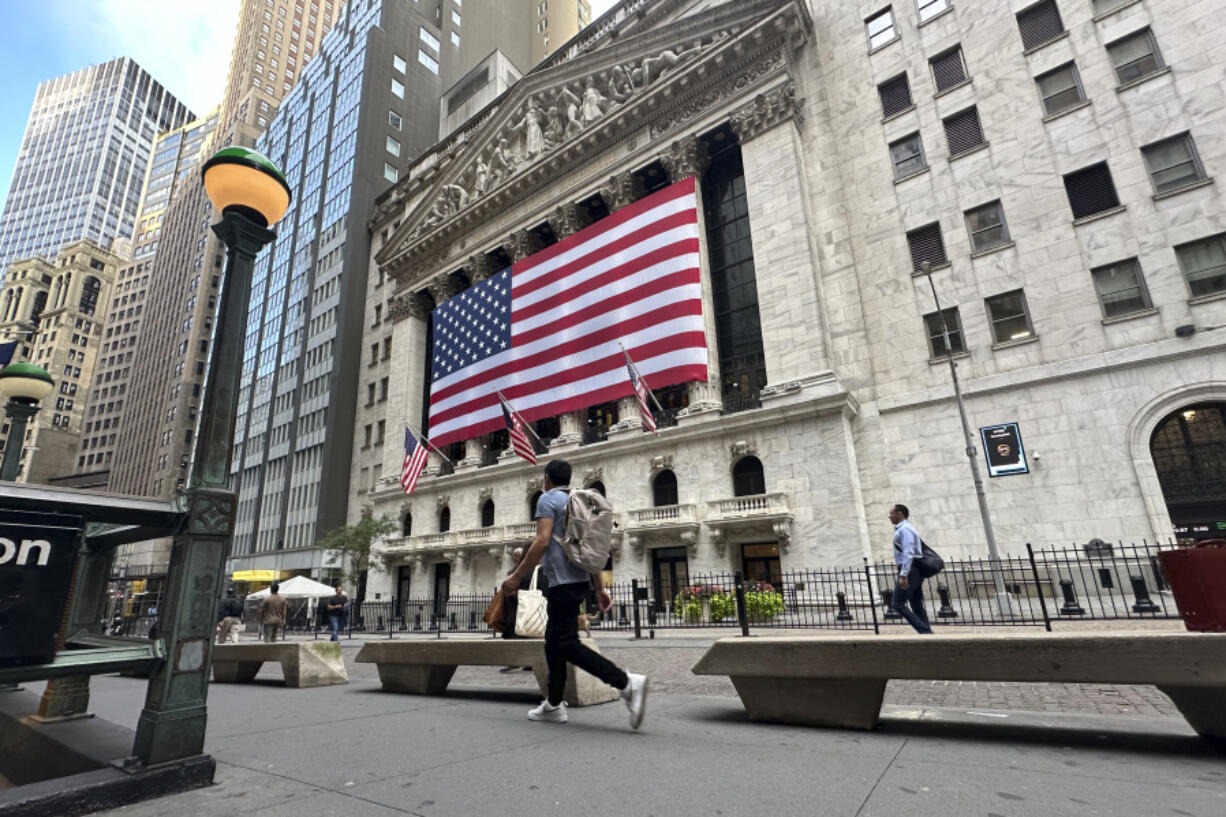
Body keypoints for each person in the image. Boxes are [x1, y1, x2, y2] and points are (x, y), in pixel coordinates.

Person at [500, 459, 648, 728]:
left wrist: (516, 576)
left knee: (566, 643)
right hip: (580, 581)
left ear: (547, 478)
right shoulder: (578, 502)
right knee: (553, 642)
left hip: (562, 584)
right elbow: (590, 549)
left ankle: (626, 683)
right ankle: (554, 704)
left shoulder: (547, 500)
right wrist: (600, 588)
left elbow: (542, 540)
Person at [499, 546, 548, 672]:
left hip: (522, 610)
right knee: (533, 633)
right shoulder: (545, 571)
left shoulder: (525, 573)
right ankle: (530, 661)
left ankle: (516, 661)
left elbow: (513, 591)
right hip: (537, 610)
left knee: (521, 632)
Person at [889, 504, 933, 634]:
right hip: (912, 570)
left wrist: (903, 575)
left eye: (891, 513)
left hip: (909, 570)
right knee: (916, 605)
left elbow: (908, 554)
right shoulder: (905, 529)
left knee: (897, 604)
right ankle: (927, 635)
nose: (889, 516)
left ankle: (925, 631)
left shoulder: (905, 530)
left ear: (899, 514)